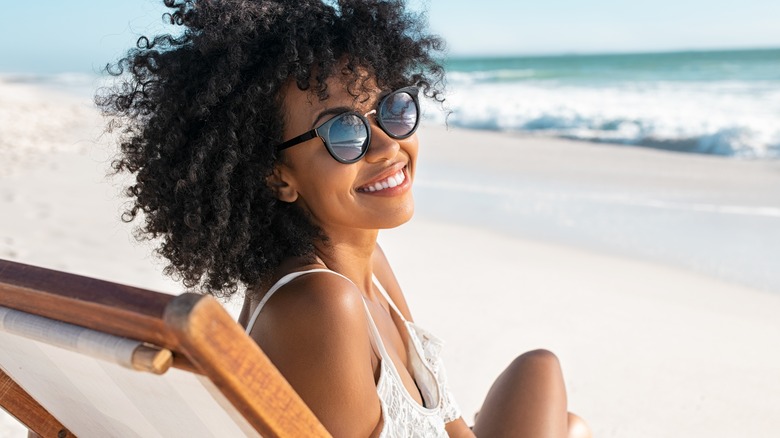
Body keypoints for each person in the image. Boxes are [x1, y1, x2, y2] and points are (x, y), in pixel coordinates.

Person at [98, 0, 591, 436]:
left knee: (549, 391)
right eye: (343, 131)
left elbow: (448, 423)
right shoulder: (321, 303)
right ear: (277, 176)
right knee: (557, 398)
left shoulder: (367, 261)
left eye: (392, 109)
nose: (387, 144)